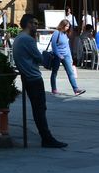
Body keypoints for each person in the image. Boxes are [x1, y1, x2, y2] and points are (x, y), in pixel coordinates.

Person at [12, 14, 66, 148]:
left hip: (27, 77)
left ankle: (46, 137)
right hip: (34, 77)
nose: (37, 26)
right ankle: (46, 138)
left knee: (39, 108)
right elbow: (40, 58)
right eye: (35, 24)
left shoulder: (19, 38)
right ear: (29, 24)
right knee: (40, 109)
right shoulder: (27, 40)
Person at [49, 20, 85, 96]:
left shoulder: (65, 34)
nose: (67, 28)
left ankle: (76, 90)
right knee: (54, 72)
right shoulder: (57, 33)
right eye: (66, 26)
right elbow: (54, 46)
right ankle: (54, 89)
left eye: (68, 26)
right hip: (57, 56)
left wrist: (70, 58)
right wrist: (58, 55)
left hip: (66, 56)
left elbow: (67, 47)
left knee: (70, 73)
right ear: (62, 25)